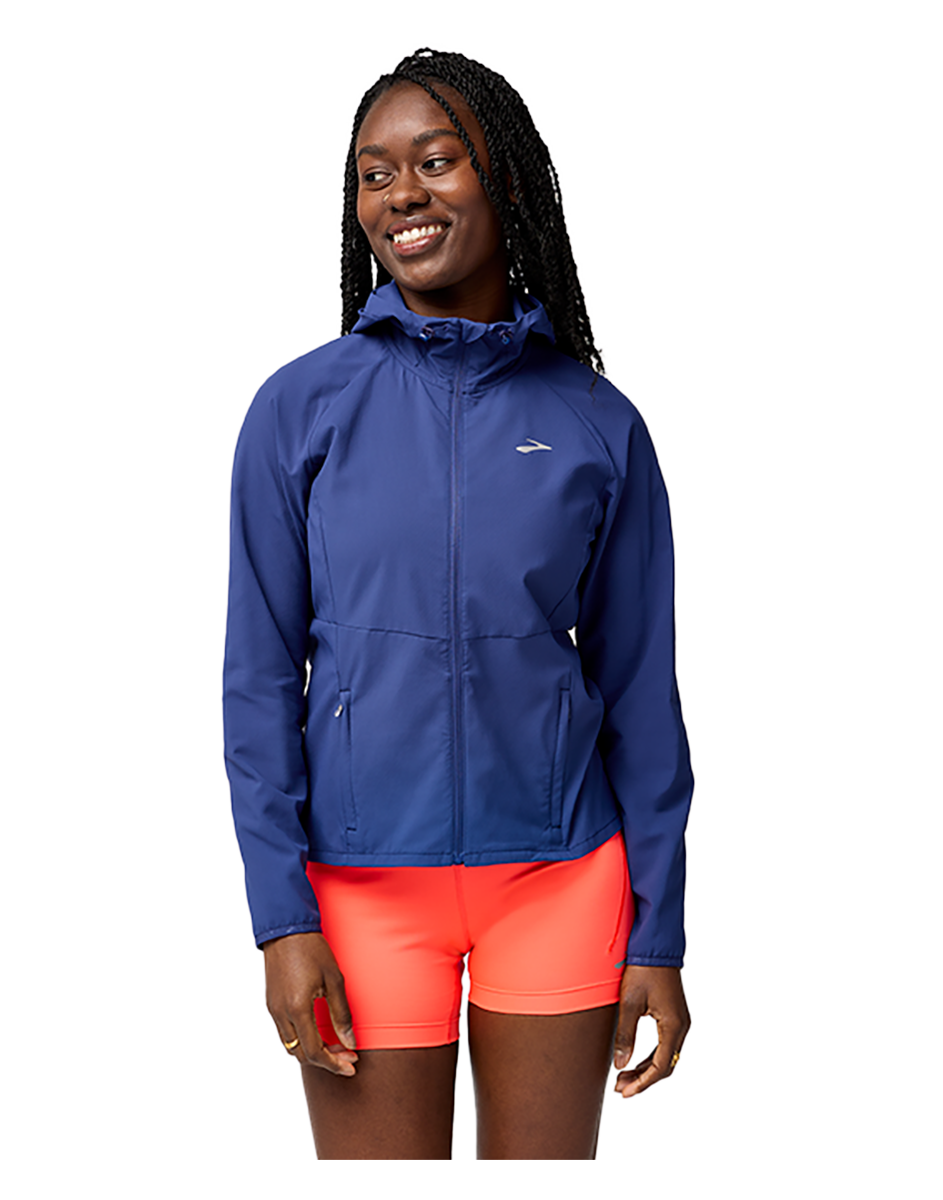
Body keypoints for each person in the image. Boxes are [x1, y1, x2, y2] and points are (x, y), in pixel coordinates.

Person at [222, 46, 694, 1159]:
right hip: (359, 889)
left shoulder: (596, 422)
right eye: (374, 174)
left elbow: (641, 691)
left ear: (506, 180)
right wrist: (281, 919)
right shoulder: (299, 409)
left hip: (562, 880)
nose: (402, 194)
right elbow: (257, 679)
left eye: (436, 161)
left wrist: (659, 932)